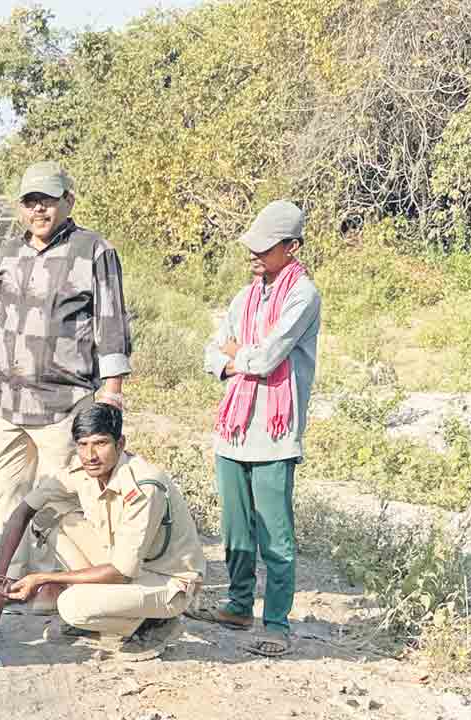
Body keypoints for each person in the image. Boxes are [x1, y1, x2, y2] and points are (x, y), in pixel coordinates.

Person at [0, 161, 133, 588]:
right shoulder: (9, 252)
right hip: (9, 403)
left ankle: (60, 583)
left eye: (47, 200)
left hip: (64, 405)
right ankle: (14, 580)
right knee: (10, 497)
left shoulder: (94, 251)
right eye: (30, 201)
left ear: (68, 201)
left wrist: (111, 396)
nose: (39, 209)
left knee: (59, 501)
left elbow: (111, 326)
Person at [186, 200, 322, 658]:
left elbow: (269, 357)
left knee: (275, 534)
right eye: (253, 246)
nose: (255, 255)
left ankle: (277, 622)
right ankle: (239, 603)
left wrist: (235, 354)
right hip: (234, 428)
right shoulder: (244, 297)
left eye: (266, 247)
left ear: (292, 246)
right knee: (236, 528)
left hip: (274, 432)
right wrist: (236, 359)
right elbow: (211, 353)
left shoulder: (304, 294)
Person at [0, 403, 205, 660]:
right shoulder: (81, 471)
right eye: (82, 444)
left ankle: (154, 624)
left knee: (71, 605)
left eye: (100, 443)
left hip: (168, 582)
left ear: (120, 444)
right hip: (126, 566)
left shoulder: (143, 486)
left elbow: (122, 571)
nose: (90, 455)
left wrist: (42, 579)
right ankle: (114, 612)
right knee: (45, 515)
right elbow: (23, 512)